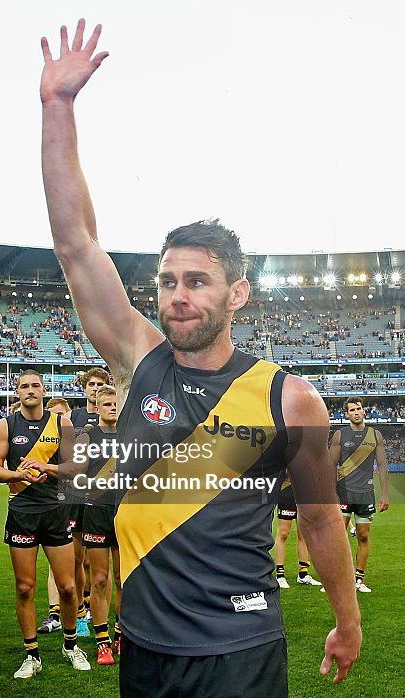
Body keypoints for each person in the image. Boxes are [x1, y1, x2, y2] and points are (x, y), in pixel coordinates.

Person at [40, 19, 361, 694]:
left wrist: (346, 618)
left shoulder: (288, 397)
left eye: (197, 282)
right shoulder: (139, 358)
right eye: (167, 282)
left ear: (236, 293)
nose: (178, 297)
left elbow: (321, 517)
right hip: (147, 649)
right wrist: (58, 110)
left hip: (241, 650)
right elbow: (75, 244)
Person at [0, 369, 90, 678]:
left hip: (55, 510)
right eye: (24, 386)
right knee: (24, 588)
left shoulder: (62, 423)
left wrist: (45, 466)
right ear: (16, 392)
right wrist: (19, 475)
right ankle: (31, 654)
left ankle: (71, 645)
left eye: (35, 385)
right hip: (22, 511)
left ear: (44, 390)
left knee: (69, 587)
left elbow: (77, 466)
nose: (30, 390)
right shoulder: (6, 425)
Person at [41, 385, 121, 666]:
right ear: (96, 408)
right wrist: (48, 468)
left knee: (124, 579)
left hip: (125, 511)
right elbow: (76, 468)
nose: (113, 407)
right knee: (99, 578)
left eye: (116, 403)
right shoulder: (87, 437)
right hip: (96, 510)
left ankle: (121, 633)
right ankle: (102, 641)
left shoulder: (132, 436)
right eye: (108, 404)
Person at [328, 397, 390, 593]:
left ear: (364, 411)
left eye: (359, 409)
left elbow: (382, 465)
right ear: (346, 414)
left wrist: (385, 494)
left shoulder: (375, 435)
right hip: (344, 493)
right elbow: (331, 465)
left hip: (366, 494)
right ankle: (336, 579)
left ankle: (359, 580)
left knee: (363, 536)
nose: (356, 412)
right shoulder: (339, 435)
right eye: (352, 410)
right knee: (338, 538)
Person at [67, 367, 109, 636]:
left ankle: (96, 607)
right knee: (76, 556)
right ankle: (80, 610)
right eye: (91, 384)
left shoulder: (114, 414)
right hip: (76, 495)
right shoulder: (74, 416)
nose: (95, 388)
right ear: (85, 388)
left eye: (100, 384)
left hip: (104, 497)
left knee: (100, 562)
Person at [38, 396, 71, 635]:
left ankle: (82, 610)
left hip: (79, 502)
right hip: (53, 504)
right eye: (54, 415)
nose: (57, 419)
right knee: (55, 566)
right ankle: (55, 614)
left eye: (61, 414)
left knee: (84, 564)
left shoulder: (76, 435)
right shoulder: (45, 443)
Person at [273, 476, 323, 588]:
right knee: (283, 533)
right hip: (287, 490)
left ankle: (303, 574)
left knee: (304, 534)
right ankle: (280, 575)